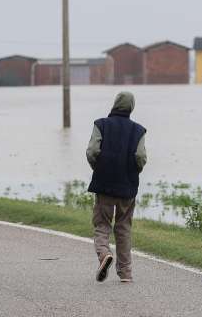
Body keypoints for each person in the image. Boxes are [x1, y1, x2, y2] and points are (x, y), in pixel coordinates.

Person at [86, 91, 147, 283]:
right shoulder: (138, 130)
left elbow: (92, 151)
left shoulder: (101, 124)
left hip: (104, 185)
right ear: (131, 107)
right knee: (123, 228)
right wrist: (133, 172)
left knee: (102, 224)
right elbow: (140, 157)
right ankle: (126, 273)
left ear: (115, 104)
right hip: (127, 187)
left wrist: (98, 167)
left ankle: (104, 254)